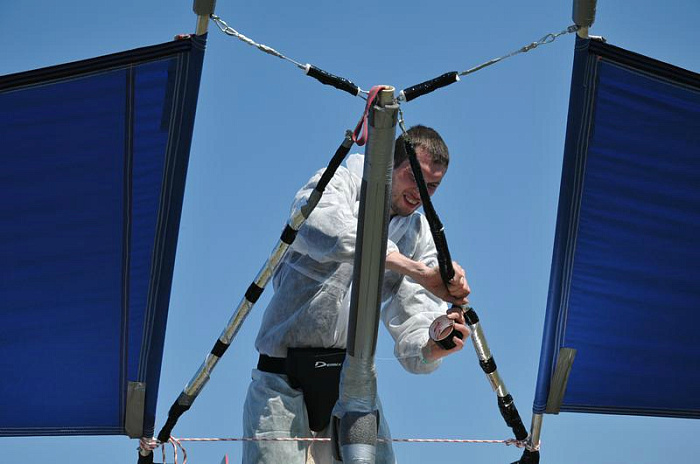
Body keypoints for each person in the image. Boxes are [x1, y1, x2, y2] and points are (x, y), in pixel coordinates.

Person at [242, 125, 471, 464]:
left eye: (432, 186)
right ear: (387, 166)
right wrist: (413, 269)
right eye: (414, 177)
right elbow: (320, 227)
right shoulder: (339, 182)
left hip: (353, 385)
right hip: (281, 379)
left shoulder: (419, 235)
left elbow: (415, 328)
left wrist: (435, 341)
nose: (420, 193)